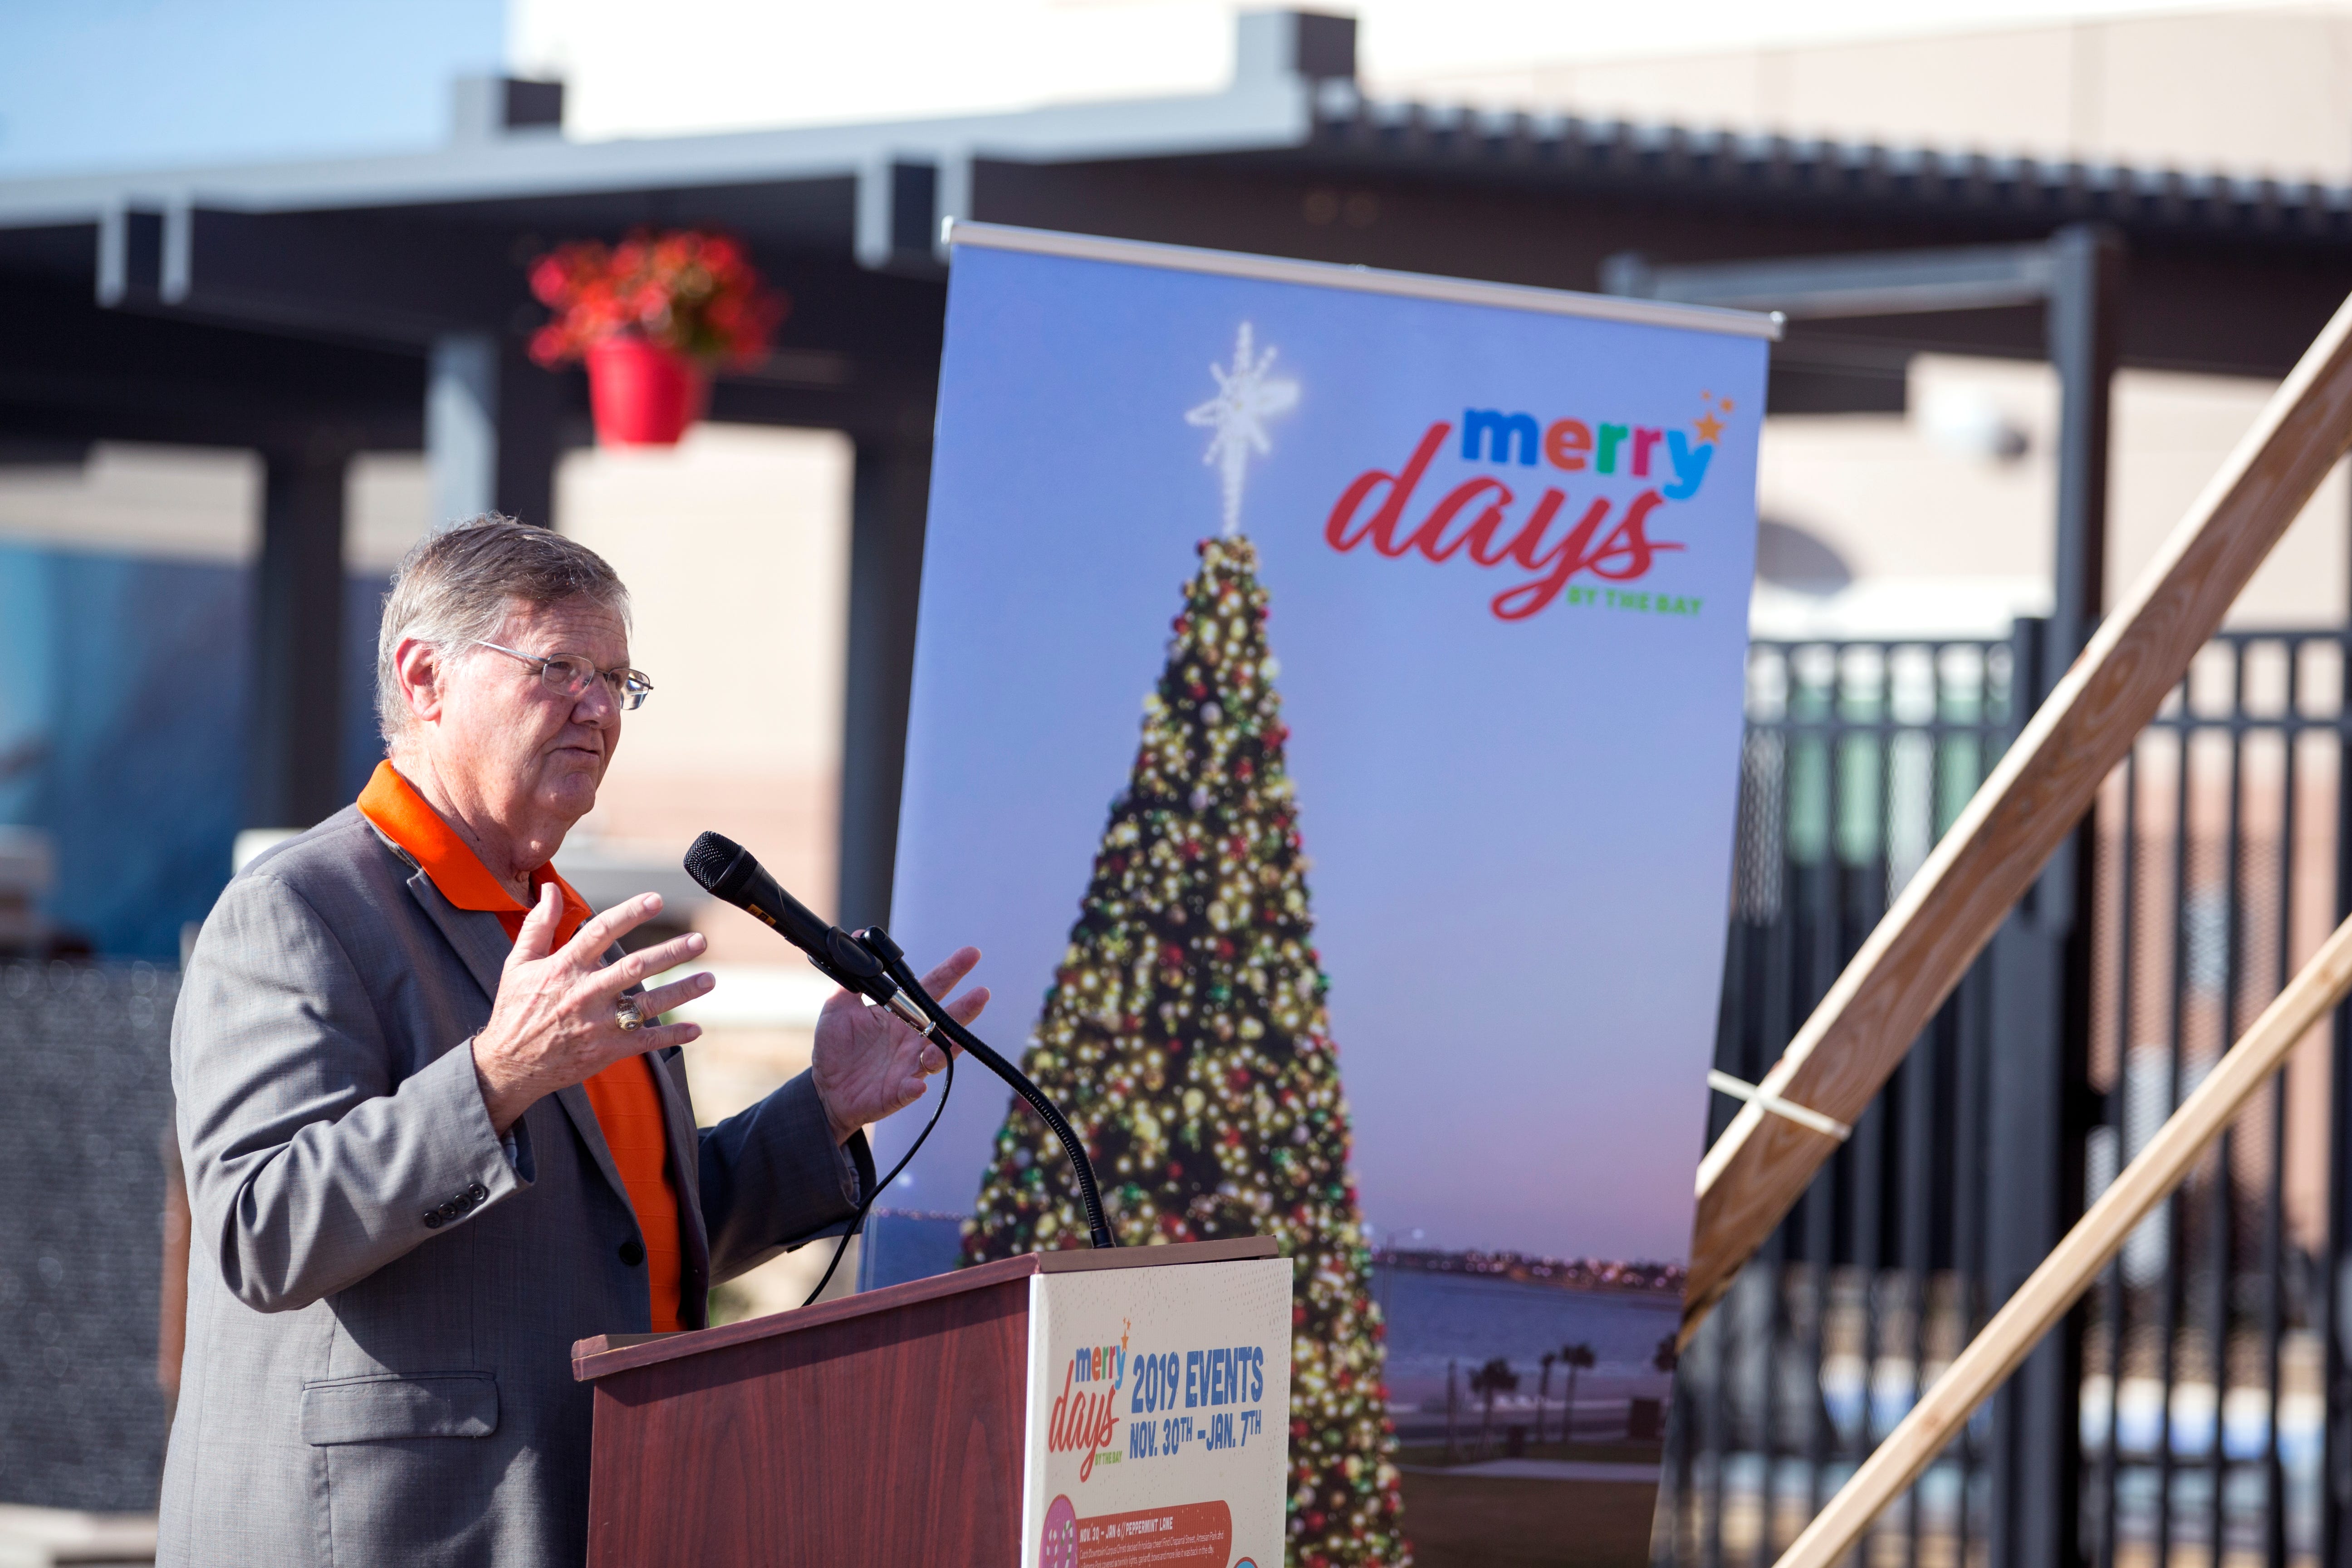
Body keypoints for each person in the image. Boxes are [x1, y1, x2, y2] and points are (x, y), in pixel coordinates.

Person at [157, 517, 986, 1565]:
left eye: (618, 681)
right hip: (394, 1533)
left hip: (597, 1510)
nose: (598, 708)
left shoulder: (561, 919)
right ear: (425, 677)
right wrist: (496, 1076)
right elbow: (261, 1233)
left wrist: (821, 1110)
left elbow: (628, 1241)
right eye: (558, 668)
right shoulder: (299, 910)